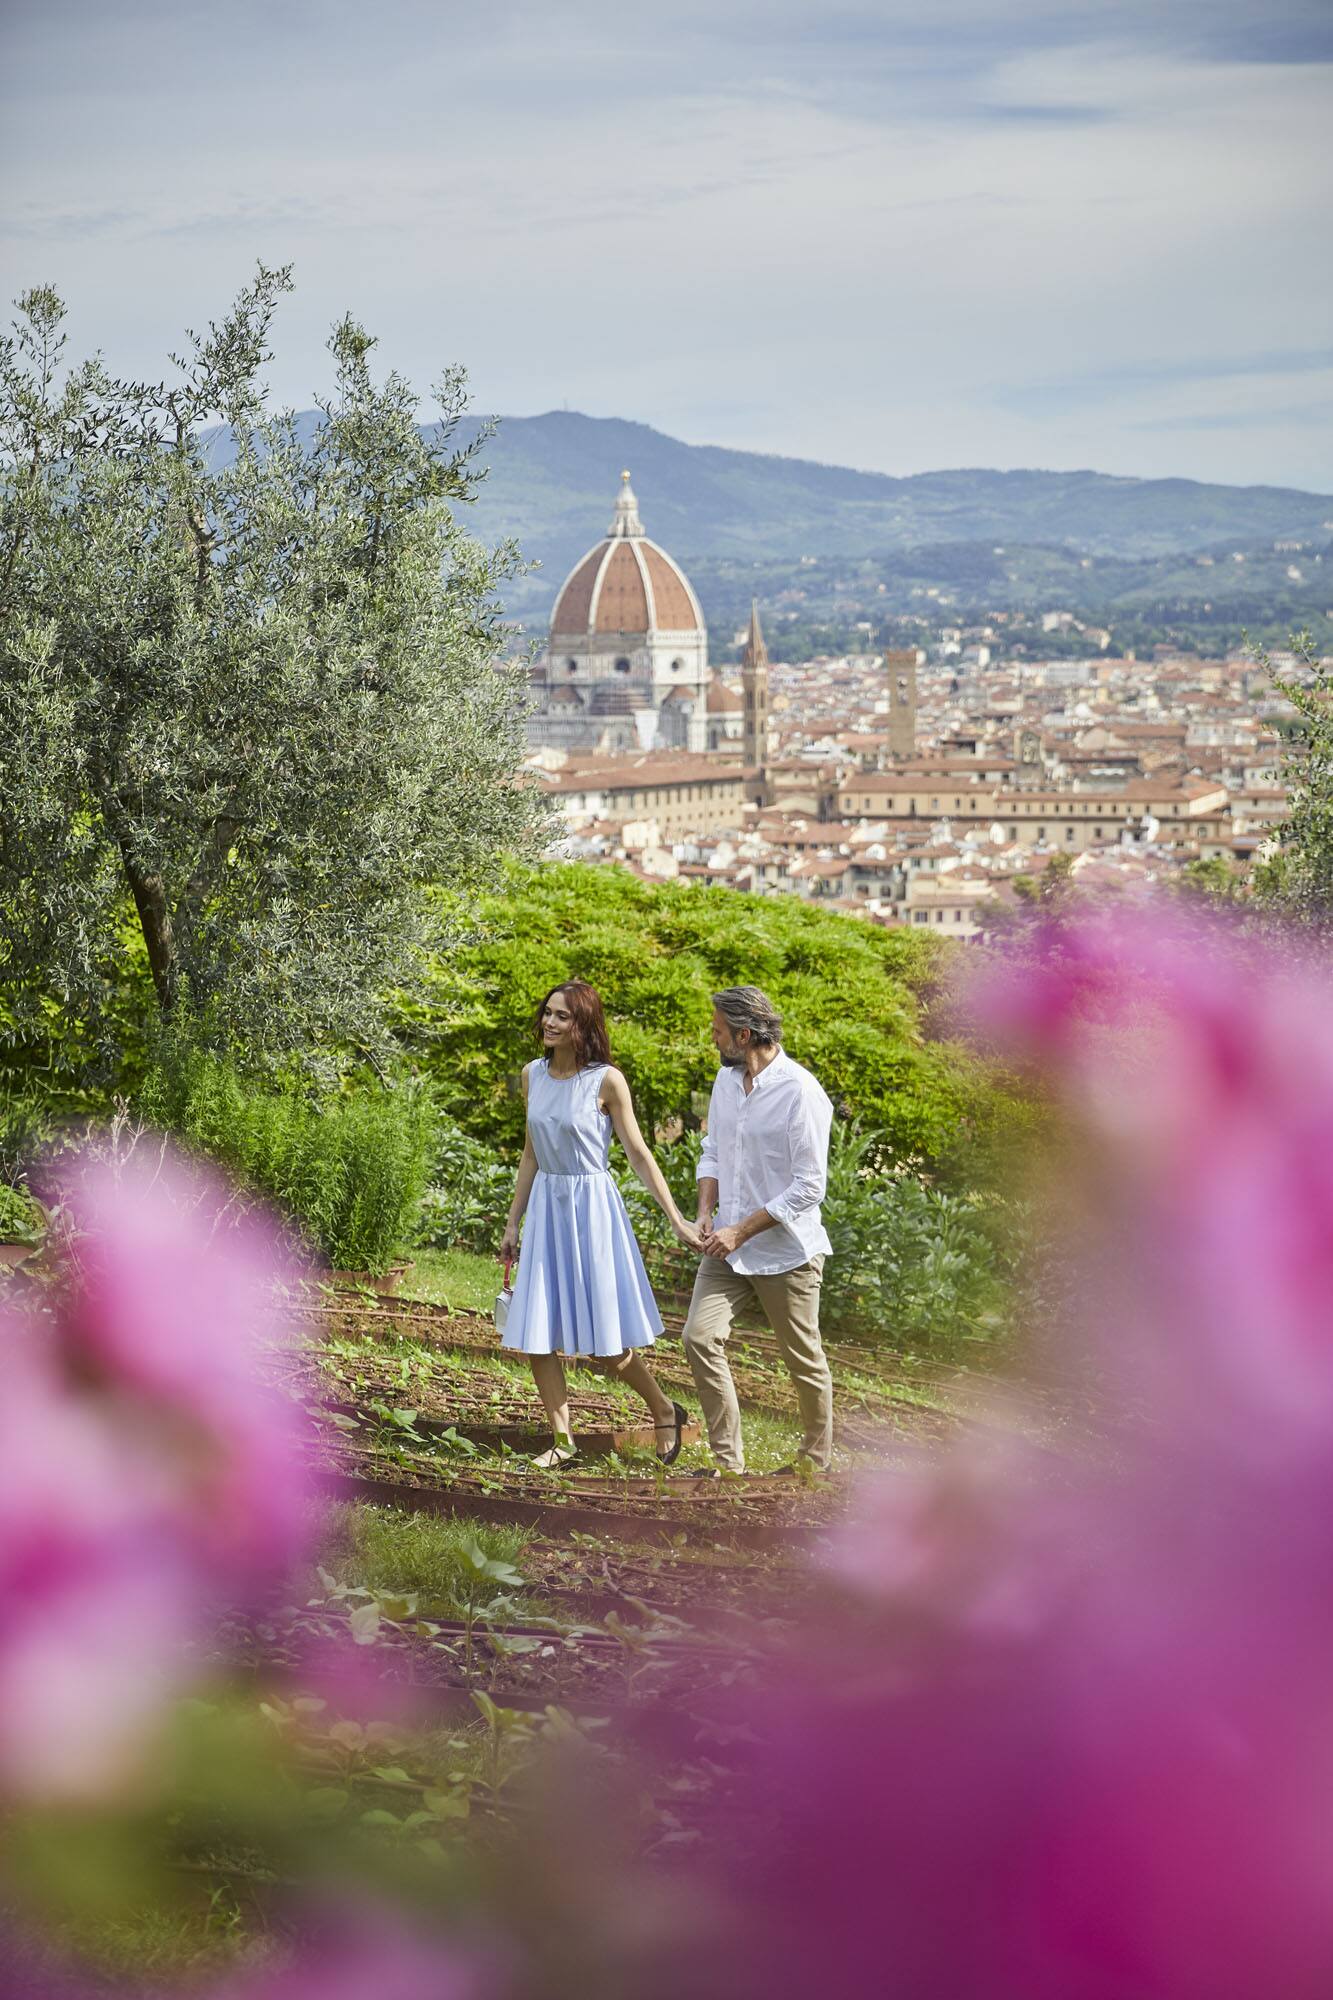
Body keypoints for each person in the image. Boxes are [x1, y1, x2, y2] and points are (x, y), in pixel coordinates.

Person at [499, 980, 698, 1469]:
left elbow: (637, 1153)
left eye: (562, 1016)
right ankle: (562, 1441)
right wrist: (512, 1222)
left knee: (605, 1342)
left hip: (592, 1211)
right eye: (547, 1013)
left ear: (582, 1025)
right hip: (548, 1206)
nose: (549, 1022)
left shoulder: (606, 1080)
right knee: (536, 1331)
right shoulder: (532, 1076)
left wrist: (677, 1219)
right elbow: (530, 1153)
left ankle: (662, 1407)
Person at [682, 986, 835, 1477]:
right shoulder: (726, 1083)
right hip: (726, 1245)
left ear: (744, 1035)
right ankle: (729, 1467)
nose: (713, 1038)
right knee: (699, 1339)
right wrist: (706, 1213)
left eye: (718, 1032)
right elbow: (713, 1150)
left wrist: (741, 1231)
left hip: (784, 1253)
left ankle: (814, 1464)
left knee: (802, 1362)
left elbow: (809, 1187)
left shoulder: (801, 1093)